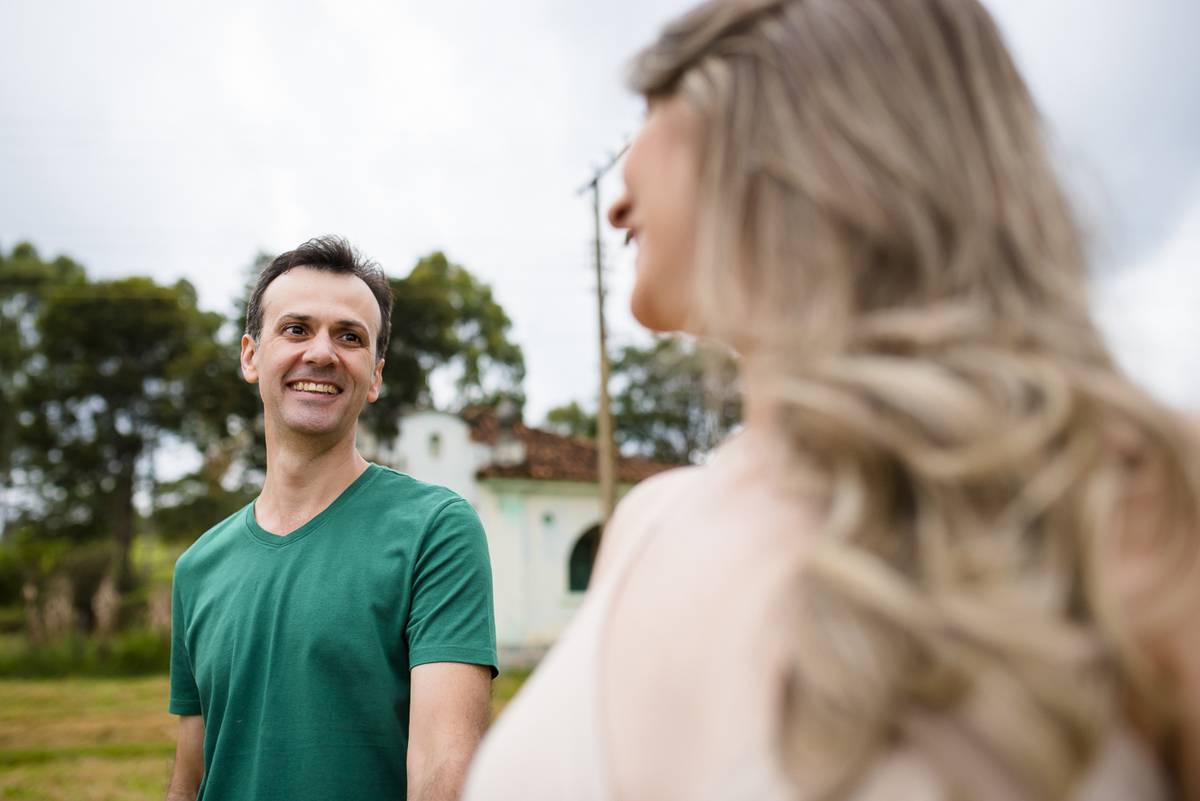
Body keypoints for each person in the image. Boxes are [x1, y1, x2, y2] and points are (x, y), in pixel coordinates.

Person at [464, 0, 1200, 798]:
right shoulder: (645, 521)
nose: (613, 202)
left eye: (649, 109)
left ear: (771, 116)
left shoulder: (1131, 495)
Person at [165, 236, 497, 801]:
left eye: (350, 337)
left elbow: (445, 771)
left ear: (375, 376)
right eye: (296, 329)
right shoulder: (197, 567)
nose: (321, 353)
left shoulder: (436, 531)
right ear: (251, 356)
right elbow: (190, 779)